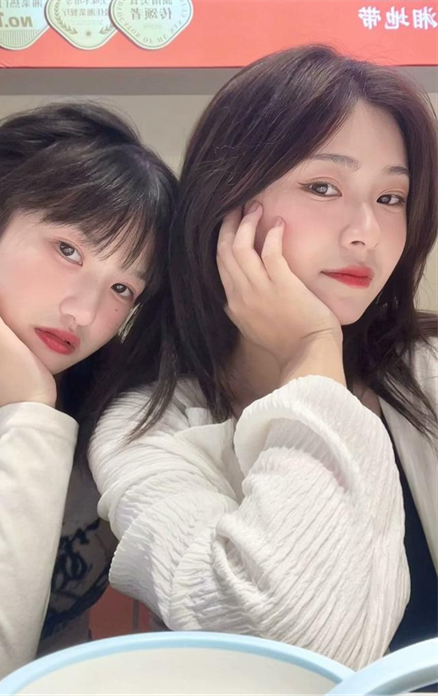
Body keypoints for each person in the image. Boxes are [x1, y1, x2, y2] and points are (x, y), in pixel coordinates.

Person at [88, 46, 438, 670]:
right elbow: (293, 651)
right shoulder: (147, 429)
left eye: (391, 197)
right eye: (323, 187)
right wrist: (311, 354)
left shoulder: (426, 367)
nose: (366, 232)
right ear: (225, 203)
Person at [0, 101, 177, 689]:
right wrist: (28, 411)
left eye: (122, 287)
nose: (85, 314)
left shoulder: (111, 401)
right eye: (68, 250)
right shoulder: (43, 406)